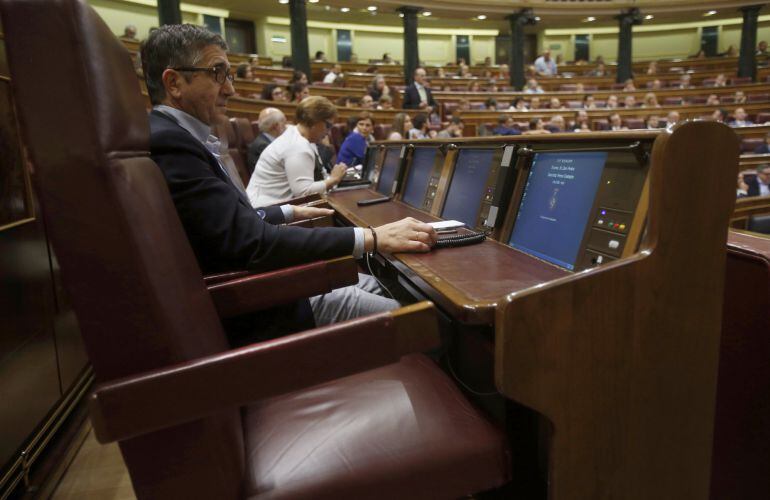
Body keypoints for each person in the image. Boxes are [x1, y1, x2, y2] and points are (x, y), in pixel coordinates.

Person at [142, 25, 436, 338]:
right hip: (268, 303)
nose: (230, 89)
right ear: (174, 82)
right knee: (423, 322)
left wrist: (288, 213)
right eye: (218, 73)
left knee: (383, 282)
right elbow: (251, 244)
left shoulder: (175, 136)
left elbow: (223, 225)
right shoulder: (172, 144)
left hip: (267, 283)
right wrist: (372, 237)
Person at [248, 96, 348, 205]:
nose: (328, 132)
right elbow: (303, 192)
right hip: (265, 212)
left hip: (272, 207)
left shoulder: (297, 135)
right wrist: (333, 179)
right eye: (328, 125)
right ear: (315, 121)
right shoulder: (298, 147)